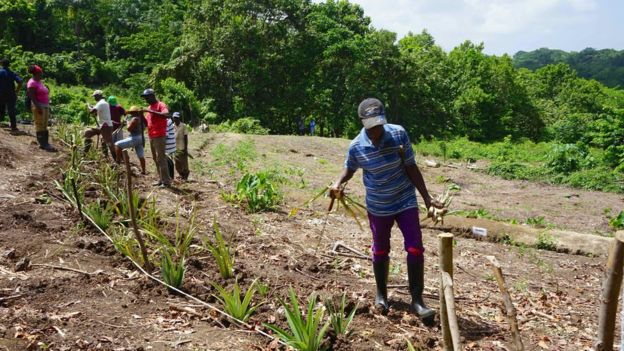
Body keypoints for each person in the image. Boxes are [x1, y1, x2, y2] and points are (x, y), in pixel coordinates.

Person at [329, 98, 443, 323]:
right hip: (378, 205)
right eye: (371, 127)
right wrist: (337, 183)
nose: (376, 132)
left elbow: (411, 166)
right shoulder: (357, 147)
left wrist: (427, 198)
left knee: (415, 247)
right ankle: (381, 295)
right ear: (363, 124)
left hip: (404, 200)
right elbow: (349, 168)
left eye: (379, 125)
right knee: (380, 249)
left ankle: (417, 300)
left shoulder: (399, 134)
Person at [141, 88, 171, 187]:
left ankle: (166, 181)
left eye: (147, 97)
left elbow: (166, 114)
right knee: (155, 158)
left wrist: (150, 111)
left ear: (152, 96)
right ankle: (161, 179)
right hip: (151, 136)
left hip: (159, 135)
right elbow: (146, 123)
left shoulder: (160, 105)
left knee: (161, 158)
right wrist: (141, 115)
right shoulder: (149, 107)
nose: (146, 99)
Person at [26, 65, 55, 151]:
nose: (42, 74)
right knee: (40, 125)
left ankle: (45, 143)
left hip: (45, 106)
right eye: (40, 72)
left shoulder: (39, 81)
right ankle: (43, 143)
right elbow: (32, 96)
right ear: (36, 73)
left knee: (45, 125)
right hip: (39, 106)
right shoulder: (32, 83)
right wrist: (38, 107)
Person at [114, 106, 146, 174]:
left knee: (117, 144)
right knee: (141, 155)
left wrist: (128, 121)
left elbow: (129, 129)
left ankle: (117, 163)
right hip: (141, 138)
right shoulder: (141, 118)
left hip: (135, 138)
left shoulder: (135, 119)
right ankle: (143, 171)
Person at [85, 90, 115, 159]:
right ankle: (85, 153)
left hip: (105, 126)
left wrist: (89, 106)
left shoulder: (101, 103)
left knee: (109, 144)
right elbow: (96, 113)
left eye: (95, 96)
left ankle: (116, 160)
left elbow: (92, 112)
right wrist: (93, 107)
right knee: (88, 133)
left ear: (98, 96)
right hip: (102, 126)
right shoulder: (102, 103)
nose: (94, 98)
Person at [0, 59, 23, 132]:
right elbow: (20, 81)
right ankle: (14, 127)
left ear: (1, 64)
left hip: (1, 94)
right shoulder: (12, 73)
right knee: (11, 110)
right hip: (11, 94)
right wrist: (16, 91)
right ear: (9, 65)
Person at [172, 112, 190, 180]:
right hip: (175, 148)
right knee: (177, 164)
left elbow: (185, 137)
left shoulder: (183, 126)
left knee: (184, 163)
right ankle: (181, 175)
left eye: (176, 118)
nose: (175, 119)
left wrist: (185, 148)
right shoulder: (172, 126)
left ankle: (185, 176)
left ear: (179, 118)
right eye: (174, 118)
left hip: (182, 147)